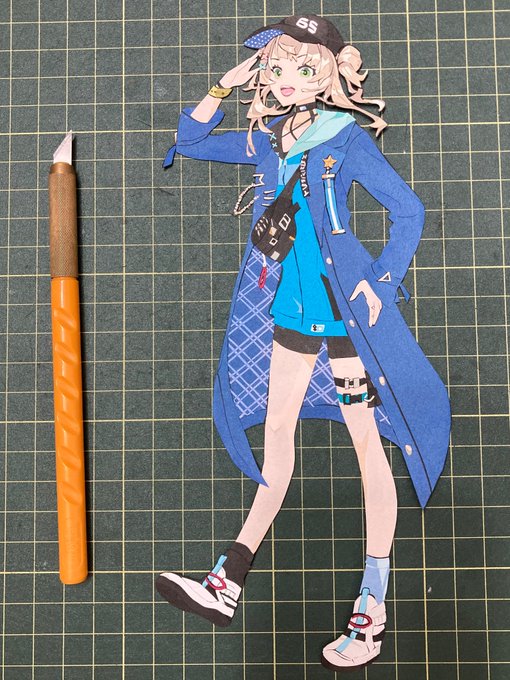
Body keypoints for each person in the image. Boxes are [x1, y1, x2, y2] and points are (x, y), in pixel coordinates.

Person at [156, 14, 451, 672]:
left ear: (328, 74)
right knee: (276, 441)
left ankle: (371, 609)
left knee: (368, 447)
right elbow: (189, 141)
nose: (287, 79)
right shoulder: (269, 138)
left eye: (303, 68)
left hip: (345, 318)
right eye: (277, 67)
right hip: (289, 311)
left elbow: (409, 210)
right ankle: (226, 583)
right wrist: (224, 84)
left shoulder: (344, 137)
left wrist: (383, 280)